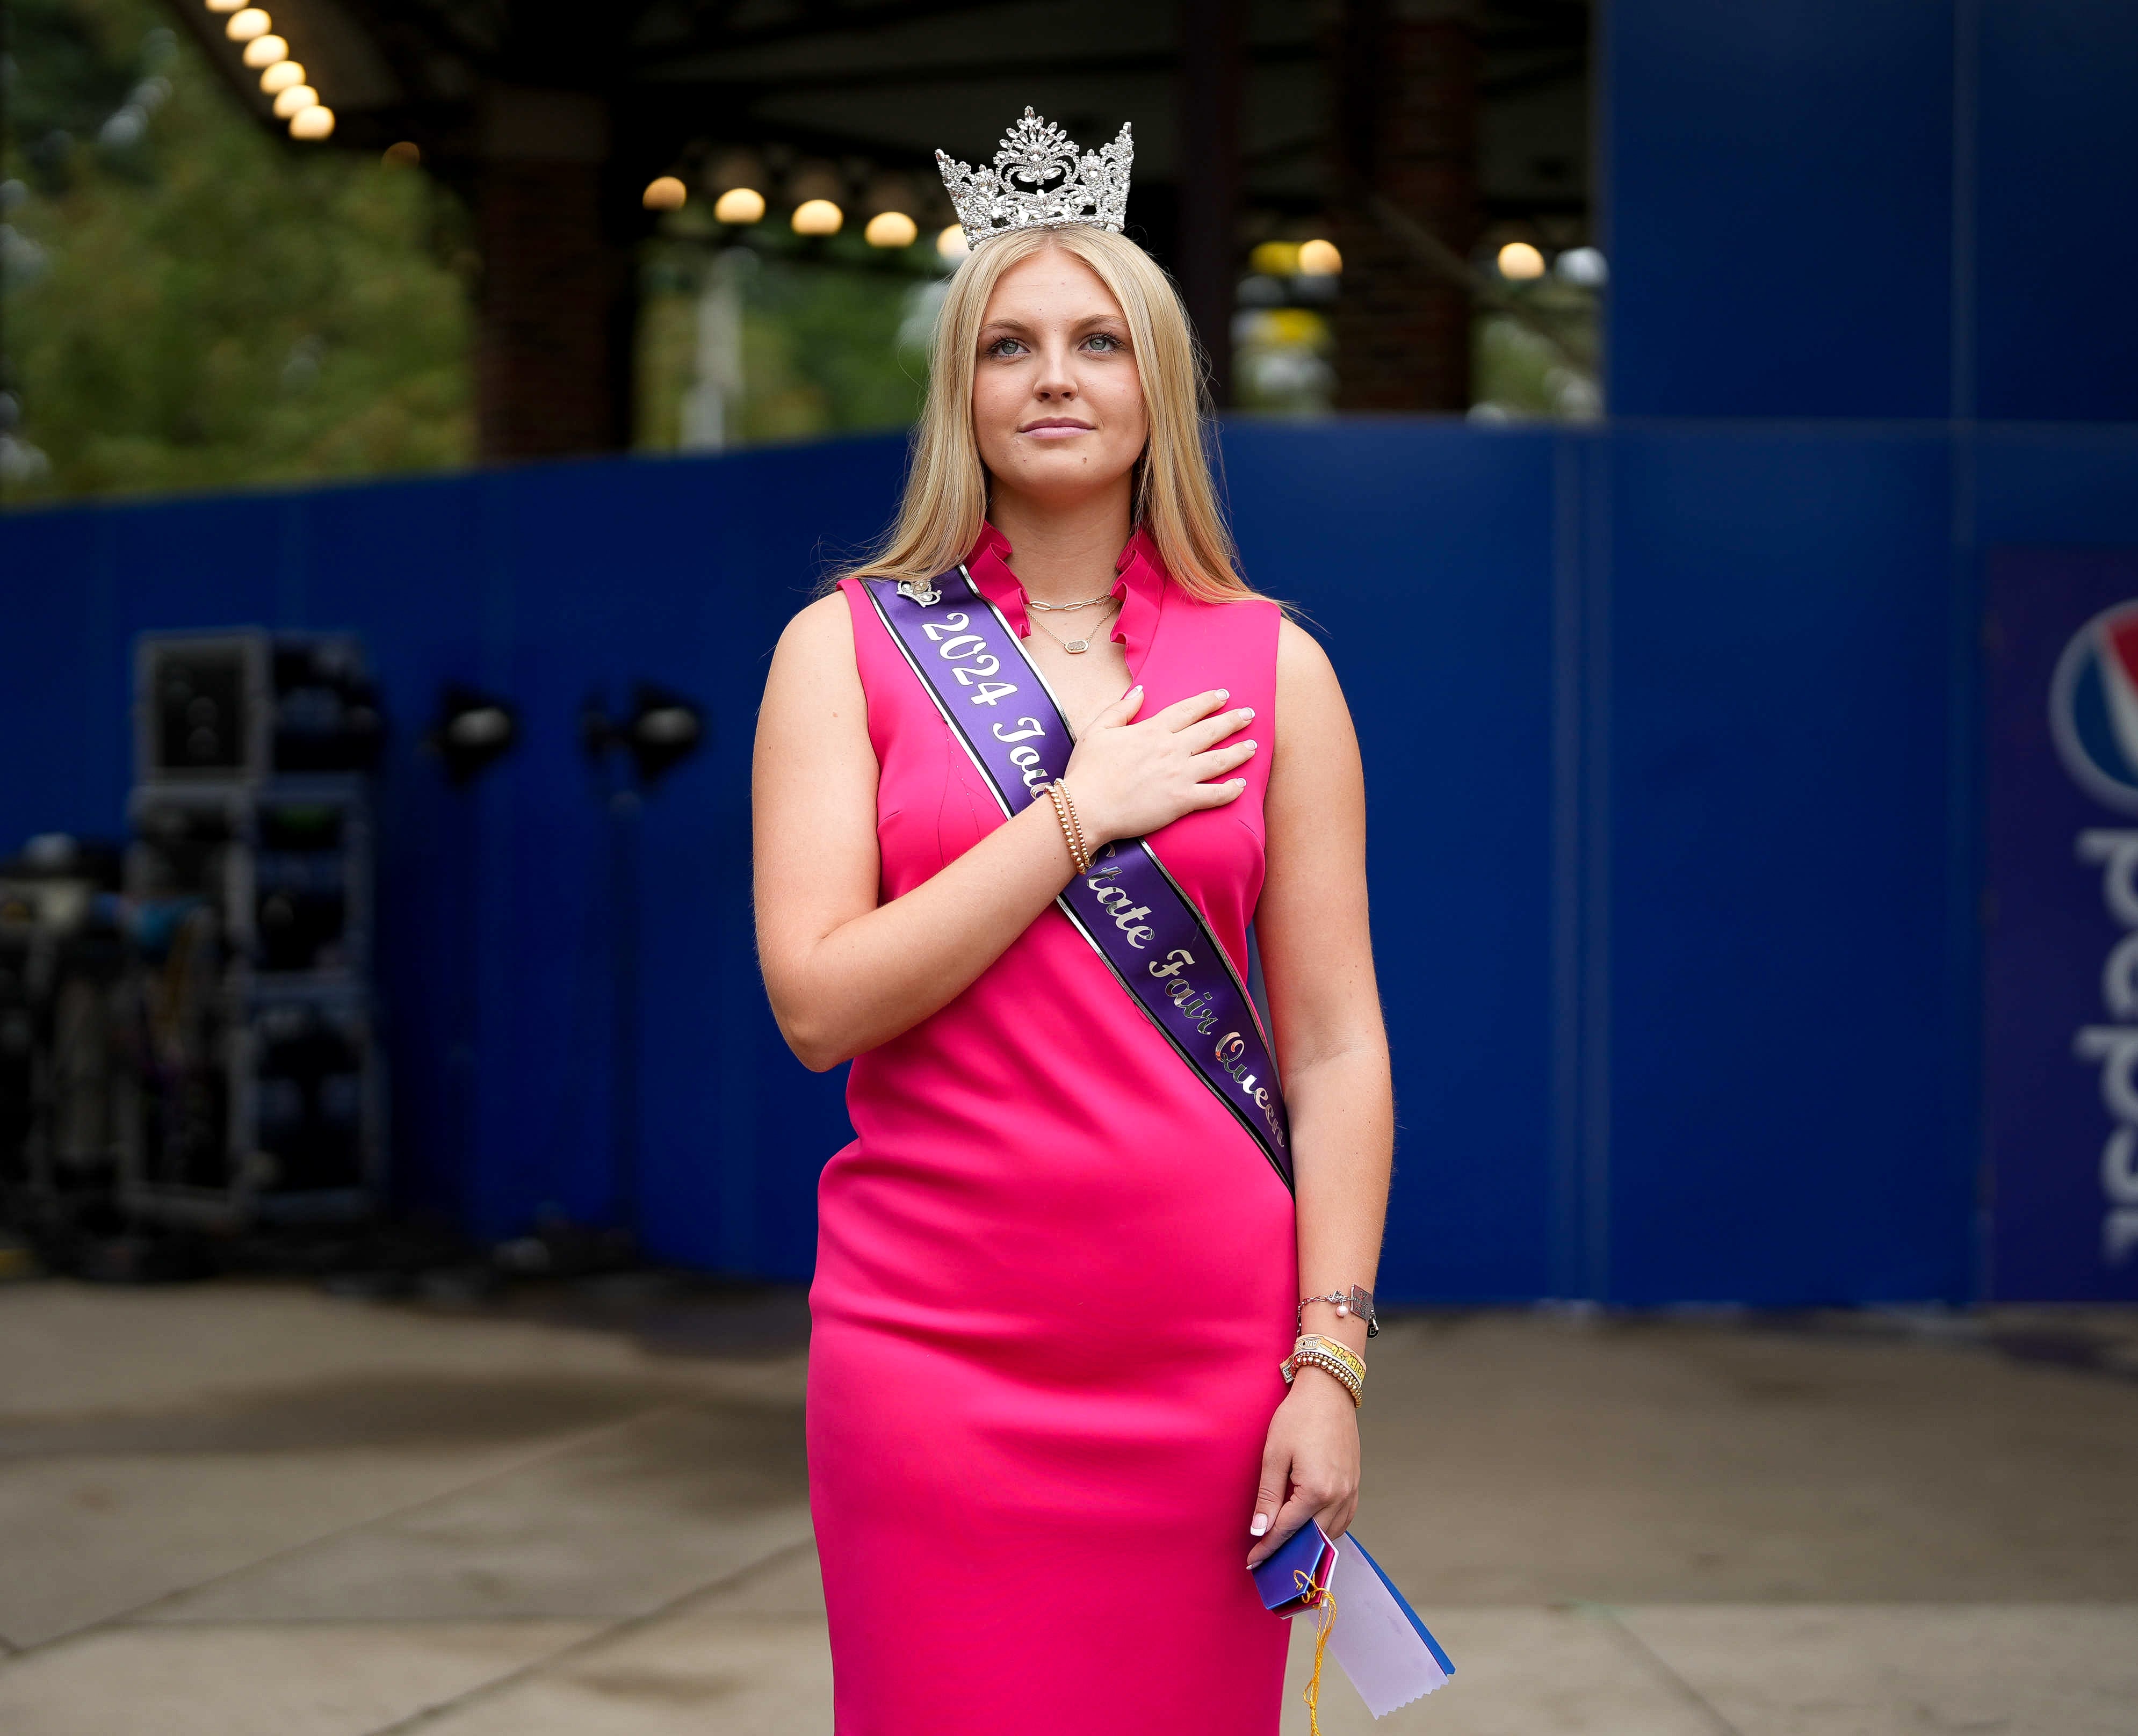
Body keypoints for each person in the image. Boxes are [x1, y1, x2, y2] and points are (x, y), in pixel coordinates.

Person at [752, 108, 1392, 1735]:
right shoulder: (843, 655)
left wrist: (1330, 1361)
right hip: (929, 1349)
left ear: (1155, 390)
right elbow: (820, 1003)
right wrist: (1072, 816)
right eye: (1010, 344)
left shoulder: (1276, 669)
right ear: (959, 388)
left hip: (1209, 1361)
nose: (1054, 376)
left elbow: (1330, 1045)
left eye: (1099, 341)